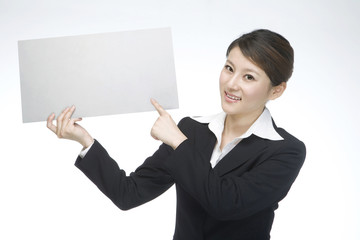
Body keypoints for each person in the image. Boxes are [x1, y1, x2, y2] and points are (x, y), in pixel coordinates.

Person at [47, 29, 306, 240]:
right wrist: (85, 141)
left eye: (249, 77)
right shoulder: (192, 130)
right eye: (229, 68)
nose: (231, 83)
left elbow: (225, 203)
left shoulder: (285, 150)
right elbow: (128, 194)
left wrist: (179, 143)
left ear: (276, 90)